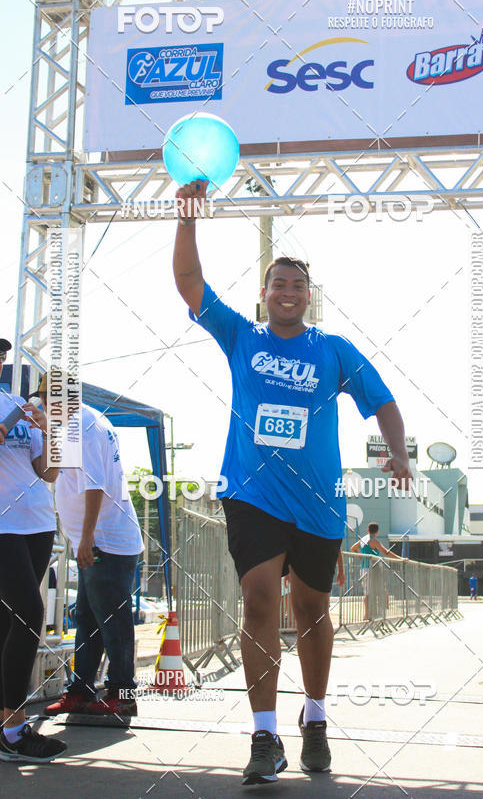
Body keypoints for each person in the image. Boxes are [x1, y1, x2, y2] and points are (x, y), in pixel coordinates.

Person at [173, 180, 412, 784]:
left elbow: (383, 402)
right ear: (264, 294)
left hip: (320, 501)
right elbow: (189, 285)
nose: (287, 291)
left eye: (297, 284)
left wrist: (400, 455)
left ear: (310, 296)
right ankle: (262, 735)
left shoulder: (333, 349)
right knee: (257, 602)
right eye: (277, 283)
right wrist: (186, 218)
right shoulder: (240, 337)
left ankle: (316, 717)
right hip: (251, 493)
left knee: (310, 609)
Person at [0, 331, 66, 762]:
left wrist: (49, 432)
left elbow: (48, 473)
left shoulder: (14, 404)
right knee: (31, 611)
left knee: (9, 619)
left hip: (35, 522)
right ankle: (15, 730)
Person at [33, 374, 144, 719]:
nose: (45, 406)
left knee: (112, 622)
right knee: (89, 619)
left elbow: (95, 486)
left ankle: (122, 693)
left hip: (104, 542)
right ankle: (81, 690)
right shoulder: (77, 423)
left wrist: (86, 538)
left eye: (50, 400)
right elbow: (56, 475)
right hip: (102, 540)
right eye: (43, 400)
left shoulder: (82, 425)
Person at [350, 523, 404, 620]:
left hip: (364, 568)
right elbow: (386, 552)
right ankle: (371, 614)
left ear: (368, 530)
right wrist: (401, 559)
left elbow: (353, 548)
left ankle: (368, 614)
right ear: (377, 531)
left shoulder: (363, 540)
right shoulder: (374, 541)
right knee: (375, 591)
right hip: (372, 570)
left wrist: (361, 558)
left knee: (368, 592)